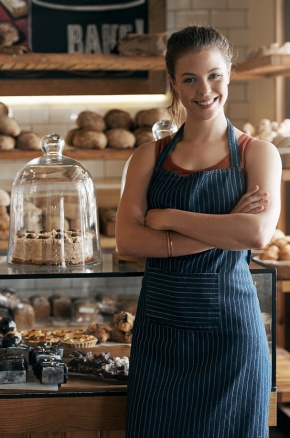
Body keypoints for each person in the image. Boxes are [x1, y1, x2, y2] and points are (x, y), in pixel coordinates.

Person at [116, 25, 282, 438]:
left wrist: (170, 218)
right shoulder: (148, 156)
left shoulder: (258, 154)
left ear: (229, 73)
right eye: (189, 78)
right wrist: (227, 227)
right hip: (160, 338)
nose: (203, 89)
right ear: (173, 82)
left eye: (214, 75)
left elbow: (257, 235)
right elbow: (129, 240)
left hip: (232, 338)